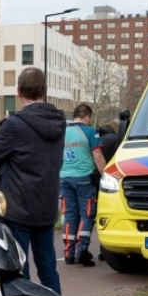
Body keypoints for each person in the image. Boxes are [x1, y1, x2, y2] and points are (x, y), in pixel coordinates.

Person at [0, 66, 67, 295]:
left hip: (18, 207)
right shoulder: (60, 122)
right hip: (47, 206)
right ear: (45, 90)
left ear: (18, 92)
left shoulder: (15, 124)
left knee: (21, 269)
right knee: (48, 268)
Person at [58, 103, 104, 266]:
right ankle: (81, 250)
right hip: (84, 178)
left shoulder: (63, 132)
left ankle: (69, 253)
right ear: (87, 116)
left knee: (69, 214)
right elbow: (97, 156)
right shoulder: (89, 131)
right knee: (87, 213)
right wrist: (105, 175)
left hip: (64, 177)